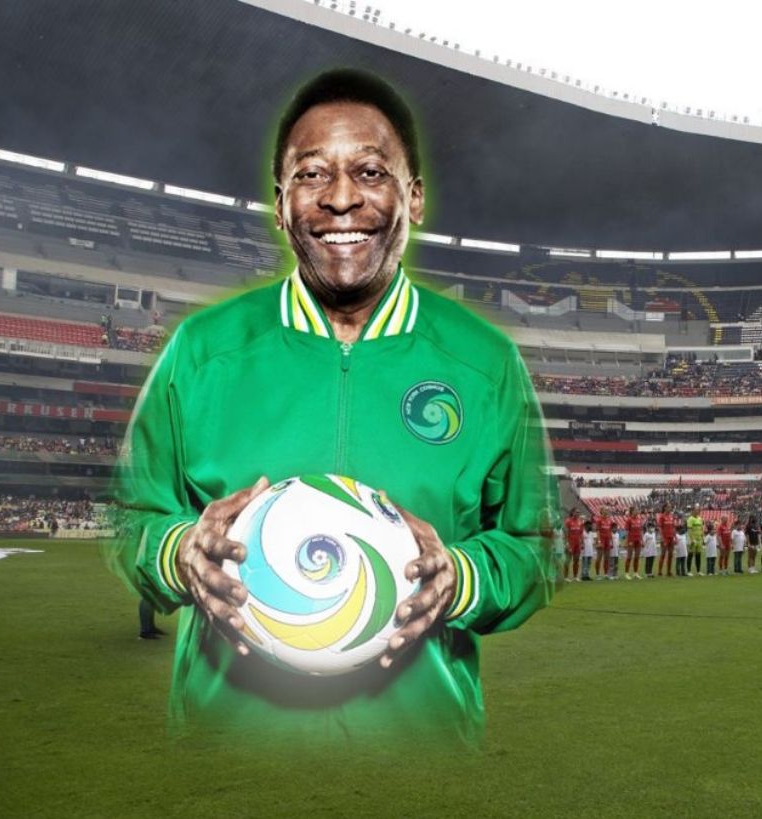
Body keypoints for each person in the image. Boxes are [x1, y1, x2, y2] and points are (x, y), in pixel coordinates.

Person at [107, 69, 552, 744]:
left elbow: (534, 547)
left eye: (370, 172)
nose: (341, 199)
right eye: (312, 174)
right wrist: (178, 553)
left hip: (426, 752)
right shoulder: (201, 351)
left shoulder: (486, 363)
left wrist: (461, 579)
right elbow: (128, 515)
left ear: (415, 198)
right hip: (223, 753)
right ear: (281, 204)